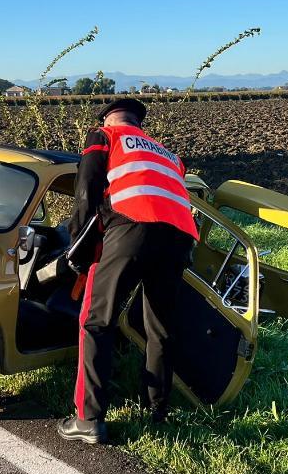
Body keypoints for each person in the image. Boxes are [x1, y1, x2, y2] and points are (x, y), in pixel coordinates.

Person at [57, 98, 199, 445]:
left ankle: (88, 419)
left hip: (132, 228)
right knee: (161, 329)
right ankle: (157, 412)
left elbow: (86, 187)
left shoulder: (104, 136)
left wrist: (79, 245)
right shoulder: (167, 155)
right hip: (180, 239)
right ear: (139, 123)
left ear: (108, 119)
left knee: (96, 322)